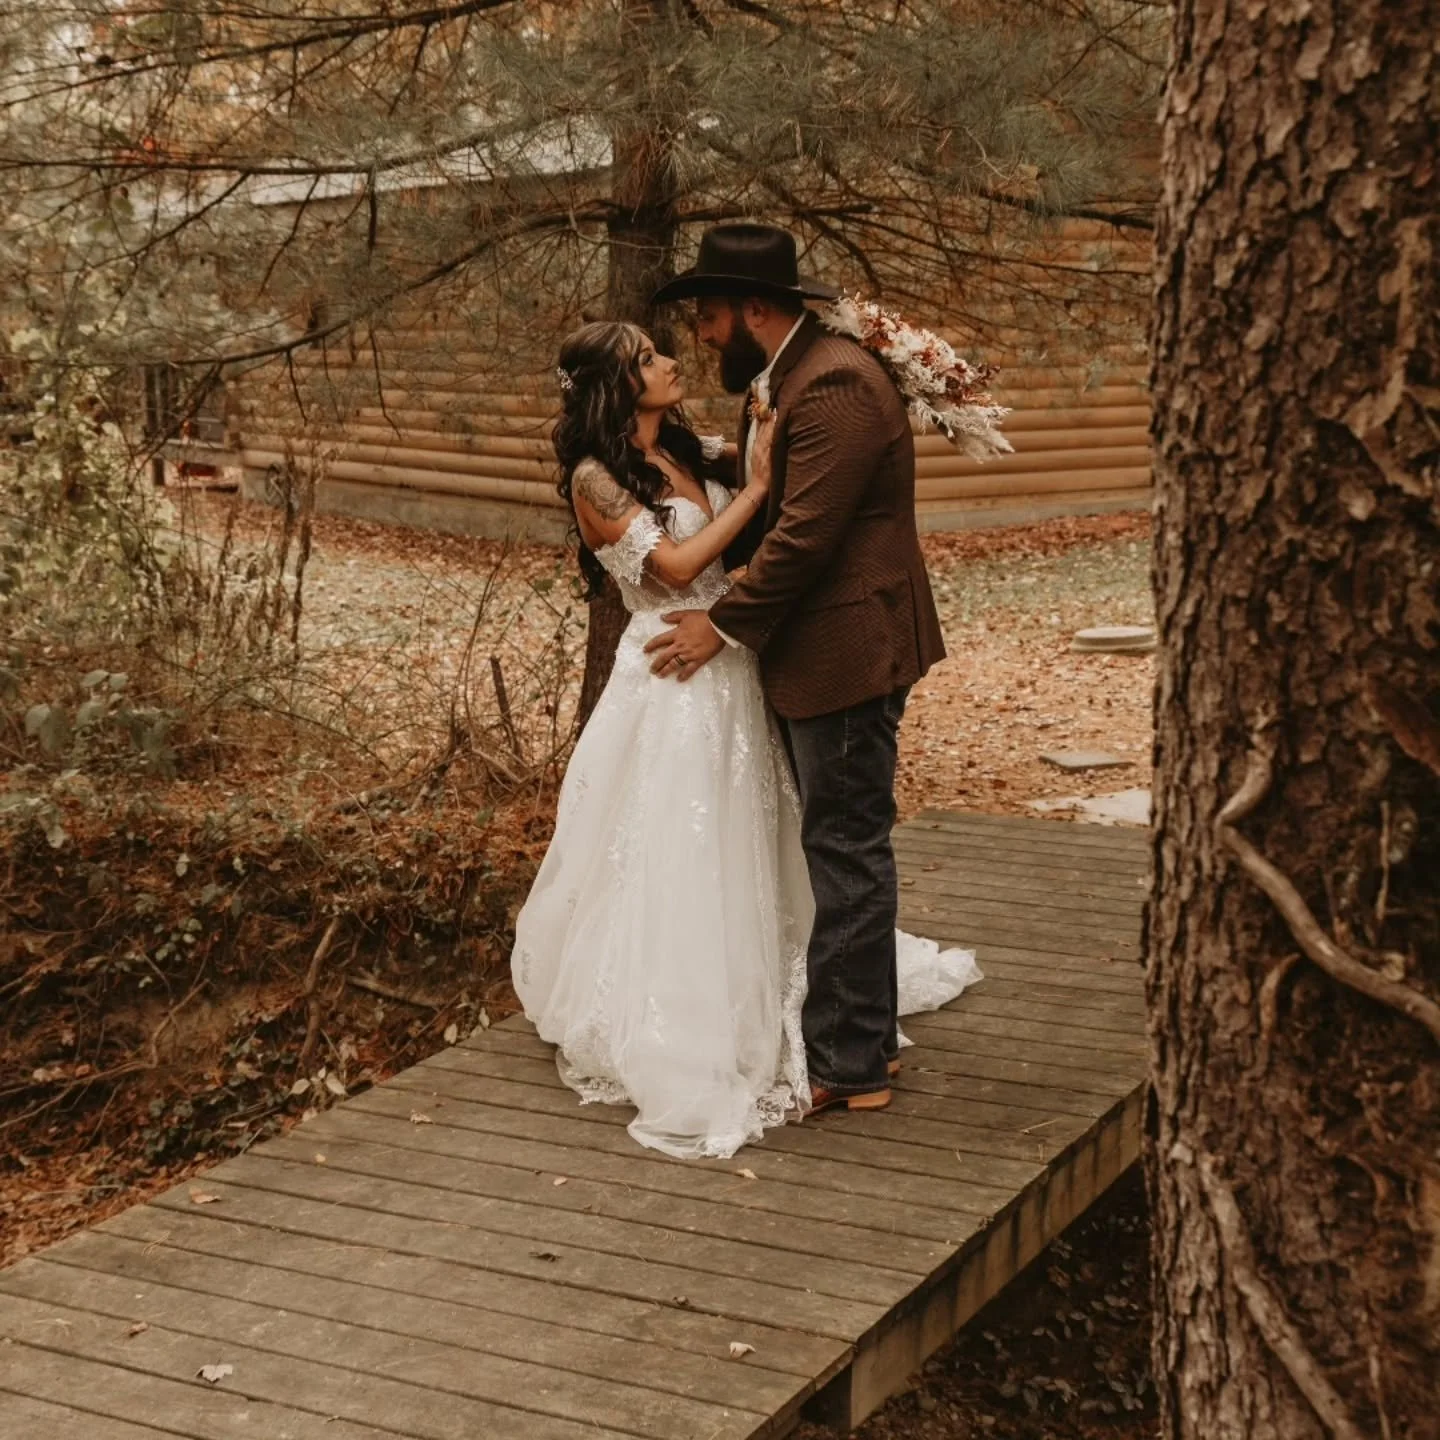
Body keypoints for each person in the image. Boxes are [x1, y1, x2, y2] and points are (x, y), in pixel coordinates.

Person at [510, 305, 979, 1162]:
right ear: (617, 385)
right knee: (680, 847)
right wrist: (758, 491)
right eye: (648, 358)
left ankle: (817, 1006)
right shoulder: (595, 479)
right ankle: (690, 1011)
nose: (669, 361)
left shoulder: (683, 452)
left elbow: (795, 469)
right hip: (673, 674)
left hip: (729, 668)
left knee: (759, 836)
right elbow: (676, 566)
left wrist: (790, 425)